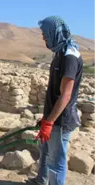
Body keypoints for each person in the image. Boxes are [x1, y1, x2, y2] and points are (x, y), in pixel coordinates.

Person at [27, 16, 83, 185]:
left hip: (61, 119)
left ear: (55, 33)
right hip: (52, 117)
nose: (43, 37)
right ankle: (41, 181)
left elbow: (65, 95)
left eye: (45, 34)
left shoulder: (69, 57)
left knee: (56, 162)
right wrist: (46, 117)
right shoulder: (59, 52)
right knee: (45, 151)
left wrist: (50, 122)